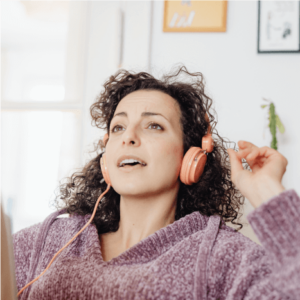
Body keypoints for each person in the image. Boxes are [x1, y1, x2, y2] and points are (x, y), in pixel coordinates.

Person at [13, 67, 299, 299]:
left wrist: (268, 193)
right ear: (106, 158)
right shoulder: (52, 241)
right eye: (118, 127)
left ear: (192, 158)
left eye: (154, 125)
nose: (129, 137)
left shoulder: (224, 257)